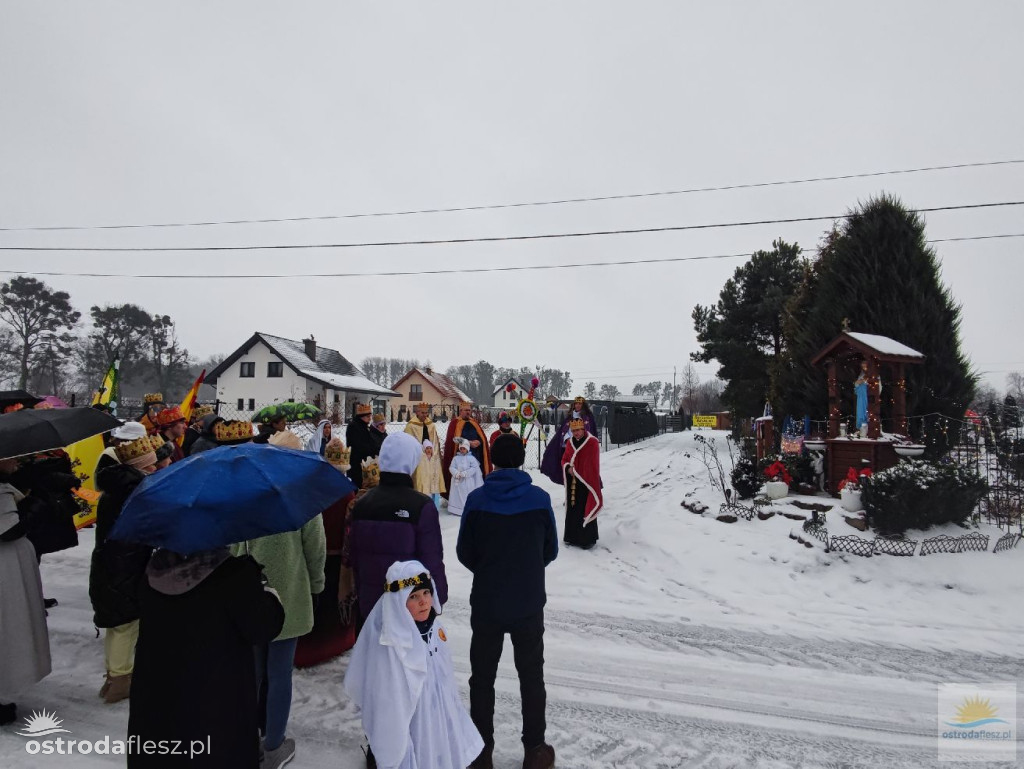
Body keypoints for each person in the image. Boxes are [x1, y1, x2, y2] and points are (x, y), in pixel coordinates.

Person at [128, 547, 284, 769]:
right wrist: (269, 595)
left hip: (158, 704)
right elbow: (263, 627)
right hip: (218, 709)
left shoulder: (151, 572)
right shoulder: (233, 575)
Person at [457, 434, 558, 769]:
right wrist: (527, 568)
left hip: (487, 601)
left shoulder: (476, 499)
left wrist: (489, 571)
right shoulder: (540, 499)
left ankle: (481, 751)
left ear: (493, 462)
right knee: (531, 675)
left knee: (482, 677)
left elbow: (464, 552)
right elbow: (550, 550)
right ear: (522, 460)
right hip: (528, 602)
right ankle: (535, 750)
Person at [344, 560, 483, 769]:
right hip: (411, 723)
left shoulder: (435, 628)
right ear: (399, 602)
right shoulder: (391, 644)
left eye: (426, 593)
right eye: (413, 597)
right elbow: (388, 705)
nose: (423, 602)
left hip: (435, 715)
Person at [232, 508, 326, 768]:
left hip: (251, 591)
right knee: (279, 673)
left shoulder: (247, 497)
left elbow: (234, 546)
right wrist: (317, 585)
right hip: (289, 594)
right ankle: (274, 745)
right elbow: (315, 546)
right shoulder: (300, 498)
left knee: (253, 672)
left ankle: (245, 739)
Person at [347, 432, 448, 633]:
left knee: (374, 661)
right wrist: (438, 597)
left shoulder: (361, 504)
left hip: (370, 607)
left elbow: (355, 559)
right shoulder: (421, 506)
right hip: (409, 609)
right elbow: (431, 559)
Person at [89, 435, 159, 703]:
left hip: (114, 564)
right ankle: (119, 681)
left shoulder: (117, 487)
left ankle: (113, 677)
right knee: (125, 625)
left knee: (117, 625)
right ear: (140, 467)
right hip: (124, 566)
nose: (155, 470)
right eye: (151, 467)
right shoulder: (132, 491)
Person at [295, 438, 357, 667]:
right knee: (334, 599)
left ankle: (310, 646)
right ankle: (334, 643)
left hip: (313, 554)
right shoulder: (348, 493)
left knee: (317, 601)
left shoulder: (312, 490)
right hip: (338, 557)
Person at [0, 458, 52, 727]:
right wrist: (35, 505)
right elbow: (7, 530)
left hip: (10, 566)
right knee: (8, 625)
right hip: (5, 569)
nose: (16, 462)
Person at [560, 418, 603, 549]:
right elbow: (565, 459)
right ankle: (572, 537)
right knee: (573, 508)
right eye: (573, 431)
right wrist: (568, 468)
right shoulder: (570, 443)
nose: (576, 433)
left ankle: (587, 539)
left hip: (587, 483)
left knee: (585, 507)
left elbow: (592, 464)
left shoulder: (592, 442)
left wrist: (576, 469)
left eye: (578, 430)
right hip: (573, 482)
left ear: (583, 429)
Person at [540, 396, 597, 485]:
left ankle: (584, 492)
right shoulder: (569, 417)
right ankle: (571, 494)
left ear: (583, 405)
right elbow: (563, 431)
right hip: (569, 447)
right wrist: (567, 439)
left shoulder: (588, 417)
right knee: (570, 471)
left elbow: (591, 432)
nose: (577, 405)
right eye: (576, 403)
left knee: (583, 472)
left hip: (583, 447)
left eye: (580, 404)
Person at [442, 402, 492, 498]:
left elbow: (482, 438)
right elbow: (453, 439)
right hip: (460, 457)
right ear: (461, 411)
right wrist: (468, 443)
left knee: (475, 478)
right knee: (463, 480)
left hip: (475, 456)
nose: (468, 412)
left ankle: (476, 497)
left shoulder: (474, 422)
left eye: (469, 410)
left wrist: (479, 442)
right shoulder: (454, 423)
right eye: (466, 410)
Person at [405, 403, 445, 505]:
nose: (425, 415)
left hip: (431, 456)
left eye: (427, 412)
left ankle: (432, 504)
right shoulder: (411, 426)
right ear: (417, 412)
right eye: (423, 412)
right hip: (418, 458)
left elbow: (435, 441)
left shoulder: (430, 424)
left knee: (432, 479)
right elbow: (407, 443)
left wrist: (434, 454)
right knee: (420, 480)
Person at [447, 437, 483, 517]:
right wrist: (456, 473)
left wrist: (465, 473)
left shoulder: (472, 459)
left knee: (466, 494)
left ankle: (467, 508)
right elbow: (451, 467)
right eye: (461, 448)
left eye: (464, 448)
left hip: (468, 481)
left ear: (467, 449)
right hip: (457, 480)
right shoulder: (455, 458)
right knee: (457, 495)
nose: (462, 450)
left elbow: (474, 468)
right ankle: (456, 509)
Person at [346, 403, 377, 489]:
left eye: (370, 416)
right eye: (367, 416)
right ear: (361, 417)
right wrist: (371, 450)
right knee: (359, 486)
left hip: (365, 462)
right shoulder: (354, 427)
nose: (370, 418)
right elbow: (359, 445)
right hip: (357, 463)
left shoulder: (364, 426)